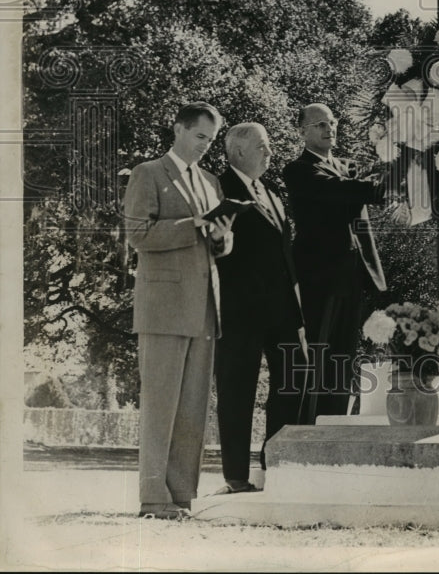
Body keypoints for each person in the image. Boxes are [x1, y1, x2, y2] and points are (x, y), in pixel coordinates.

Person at [123, 101, 234, 519]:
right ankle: (153, 498)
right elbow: (137, 234)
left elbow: (220, 246)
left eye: (211, 139)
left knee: (191, 408)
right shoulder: (147, 173)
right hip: (163, 308)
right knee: (160, 405)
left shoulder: (210, 182)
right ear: (178, 130)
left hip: (204, 308)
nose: (205, 146)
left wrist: (222, 237)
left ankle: (181, 497)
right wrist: (196, 225)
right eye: (199, 136)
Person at [213, 122, 307, 493]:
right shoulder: (217, 188)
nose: (270, 151)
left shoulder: (272, 194)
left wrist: (297, 314)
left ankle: (275, 467)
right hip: (238, 312)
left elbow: (284, 257)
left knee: (292, 384)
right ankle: (236, 476)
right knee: (237, 391)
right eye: (262, 146)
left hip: (282, 312)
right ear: (237, 151)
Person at [282, 103, 387, 422]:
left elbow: (366, 200)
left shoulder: (348, 166)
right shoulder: (298, 169)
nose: (329, 129)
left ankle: (333, 424)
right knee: (318, 356)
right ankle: (305, 430)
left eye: (332, 123)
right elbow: (338, 191)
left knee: (343, 358)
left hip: (351, 277)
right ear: (302, 131)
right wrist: (386, 183)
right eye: (319, 125)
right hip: (318, 278)